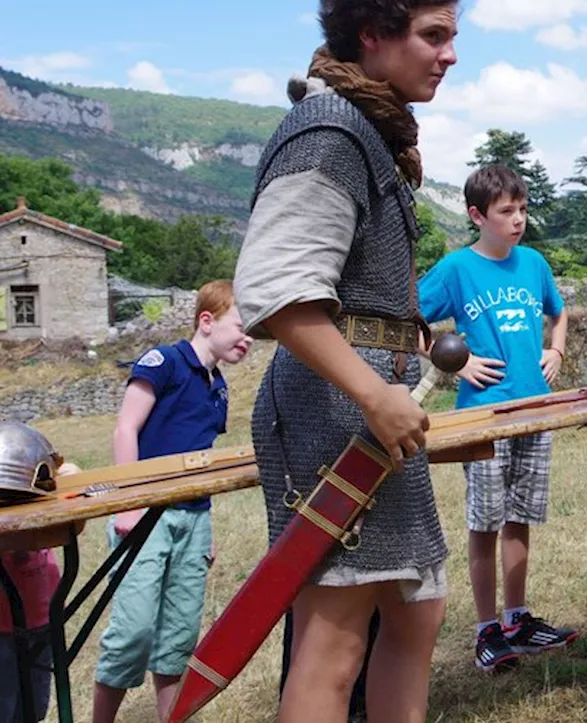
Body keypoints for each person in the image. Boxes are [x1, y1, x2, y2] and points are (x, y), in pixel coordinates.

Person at [231, 1, 459, 720]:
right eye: (434, 36)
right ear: (372, 35)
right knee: (332, 643)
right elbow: (274, 291)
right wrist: (372, 389)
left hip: (372, 403)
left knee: (416, 611)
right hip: (334, 409)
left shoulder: (370, 134)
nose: (449, 54)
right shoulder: (329, 131)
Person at [417, 164, 577, 673]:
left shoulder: (533, 263)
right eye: (506, 211)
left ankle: (518, 618)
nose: (518, 220)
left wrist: (556, 349)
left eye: (522, 209)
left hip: (534, 409)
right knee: (484, 523)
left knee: (520, 518)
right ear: (476, 215)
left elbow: (560, 311)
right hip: (482, 416)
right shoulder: (457, 269)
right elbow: (405, 318)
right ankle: (487, 629)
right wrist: (456, 360)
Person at [91, 281, 252, 723]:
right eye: (241, 325)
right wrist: (128, 505)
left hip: (193, 520)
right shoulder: (163, 363)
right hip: (146, 516)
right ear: (207, 321)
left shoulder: (217, 386)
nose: (249, 337)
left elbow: (199, 463)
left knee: (178, 638)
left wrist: (207, 529)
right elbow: (126, 429)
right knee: (133, 632)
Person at [0, 461, 78, 723]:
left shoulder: (20, 449)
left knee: (33, 710)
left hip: (41, 612)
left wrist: (71, 476)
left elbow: (62, 473)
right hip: (2, 625)